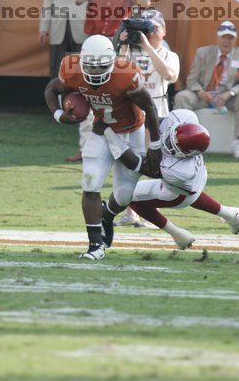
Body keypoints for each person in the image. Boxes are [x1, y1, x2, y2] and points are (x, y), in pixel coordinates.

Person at [44, 35, 161, 260]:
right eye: (91, 67)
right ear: (82, 62)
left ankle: (106, 214)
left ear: (112, 61)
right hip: (101, 130)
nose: (96, 73)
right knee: (90, 182)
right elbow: (51, 89)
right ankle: (95, 245)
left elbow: (150, 108)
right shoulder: (71, 67)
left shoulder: (127, 74)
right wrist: (59, 116)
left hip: (130, 131)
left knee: (125, 195)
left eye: (101, 68)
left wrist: (154, 145)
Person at [96, 109, 239, 249]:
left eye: (173, 146)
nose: (168, 142)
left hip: (177, 194)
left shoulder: (177, 170)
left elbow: (137, 165)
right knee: (193, 193)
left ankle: (177, 234)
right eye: (172, 137)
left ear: (186, 154)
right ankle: (233, 217)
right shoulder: (185, 117)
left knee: (130, 196)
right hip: (198, 178)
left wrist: (111, 135)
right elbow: (154, 121)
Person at [65, 0, 151, 163]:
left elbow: (145, 2)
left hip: (119, 47)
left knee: (122, 96)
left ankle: (125, 150)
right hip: (93, 45)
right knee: (88, 93)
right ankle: (85, 149)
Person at [115, 9, 179, 227]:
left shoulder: (170, 55)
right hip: (132, 114)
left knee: (156, 164)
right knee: (130, 163)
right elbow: (115, 75)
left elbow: (170, 75)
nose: (149, 32)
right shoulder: (131, 53)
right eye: (146, 28)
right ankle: (130, 212)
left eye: (153, 28)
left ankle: (152, 211)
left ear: (163, 31)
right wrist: (123, 46)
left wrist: (147, 47)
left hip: (157, 113)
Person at [174, 20, 239, 159]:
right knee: (181, 97)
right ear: (217, 38)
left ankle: (238, 142)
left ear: (235, 40)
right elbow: (191, 79)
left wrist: (230, 93)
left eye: (230, 38)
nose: (226, 41)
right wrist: (200, 92)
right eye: (224, 37)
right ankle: (184, 140)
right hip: (204, 95)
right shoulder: (203, 53)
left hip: (227, 98)